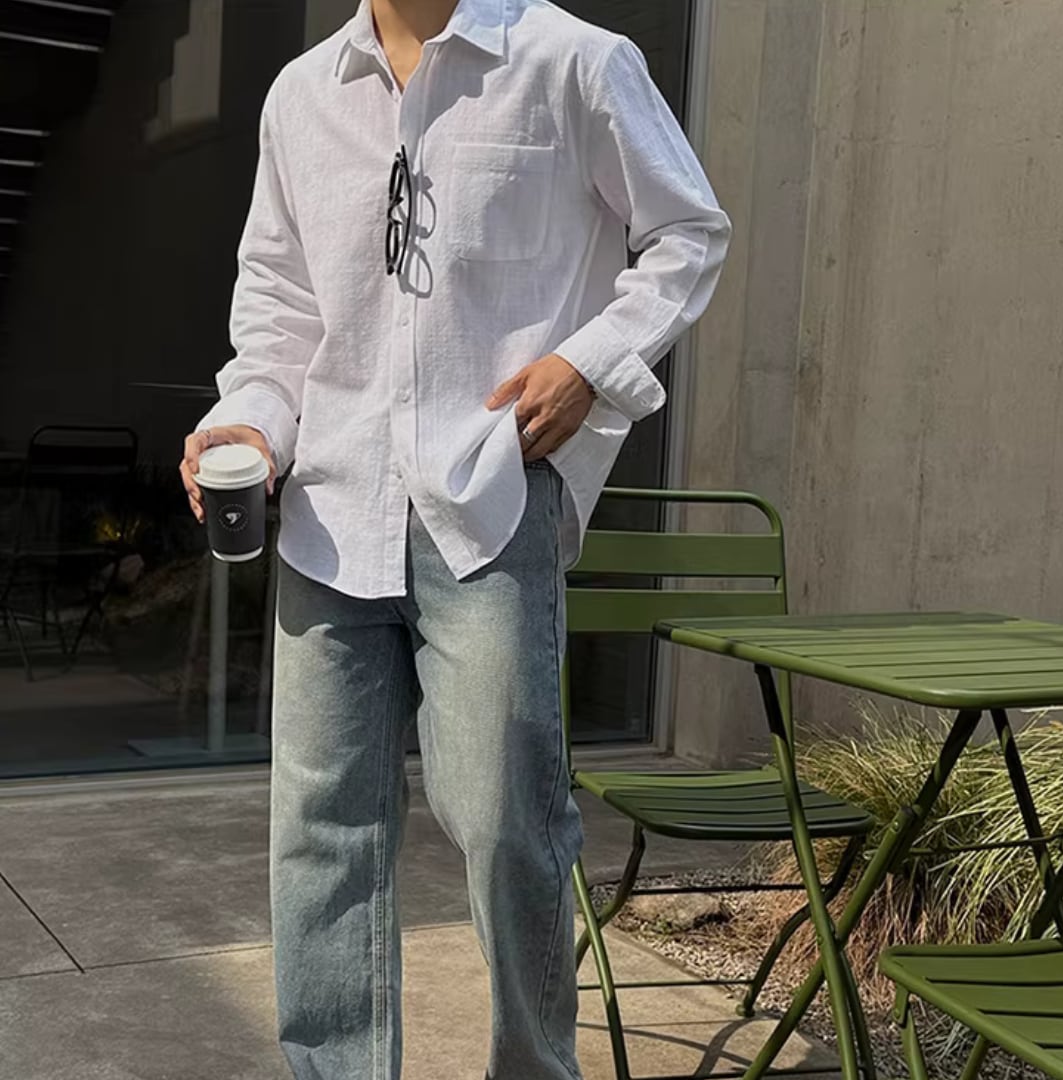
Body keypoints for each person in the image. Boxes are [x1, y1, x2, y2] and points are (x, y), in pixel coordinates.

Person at [179, 0, 730, 1076]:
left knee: (506, 823)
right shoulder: (302, 95)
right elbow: (281, 313)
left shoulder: (573, 62)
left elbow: (688, 232)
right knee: (320, 836)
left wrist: (590, 364)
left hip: (488, 502)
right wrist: (249, 422)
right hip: (331, 515)